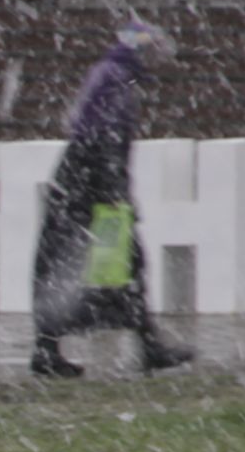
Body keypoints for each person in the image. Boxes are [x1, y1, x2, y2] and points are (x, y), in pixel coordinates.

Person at [30, 19, 193, 378]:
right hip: (90, 190)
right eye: (154, 50)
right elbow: (103, 138)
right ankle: (145, 346)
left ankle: (50, 348)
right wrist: (116, 194)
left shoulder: (112, 73)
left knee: (78, 268)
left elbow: (87, 130)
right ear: (142, 49)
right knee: (116, 266)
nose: (157, 59)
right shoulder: (118, 78)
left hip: (81, 186)